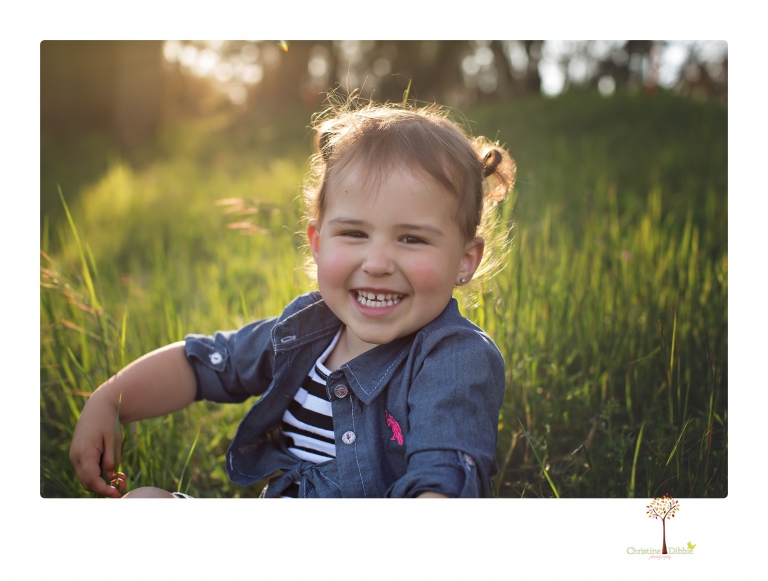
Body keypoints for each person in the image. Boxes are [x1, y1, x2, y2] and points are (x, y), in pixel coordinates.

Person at [69, 98, 516, 498]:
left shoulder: (452, 359)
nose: (378, 262)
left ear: (464, 259)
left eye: (413, 239)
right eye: (355, 233)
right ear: (318, 243)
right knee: (142, 506)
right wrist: (109, 401)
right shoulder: (307, 330)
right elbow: (205, 363)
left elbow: (445, 478)